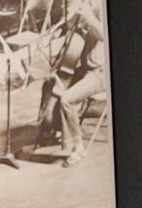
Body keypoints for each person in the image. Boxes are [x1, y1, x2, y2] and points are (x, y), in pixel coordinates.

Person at [58, 0, 106, 167]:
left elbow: (104, 36)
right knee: (55, 85)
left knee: (66, 99)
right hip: (86, 68)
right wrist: (70, 18)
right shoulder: (86, 4)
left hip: (100, 72)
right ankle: (58, 130)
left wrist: (88, 16)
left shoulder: (100, 7)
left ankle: (78, 148)